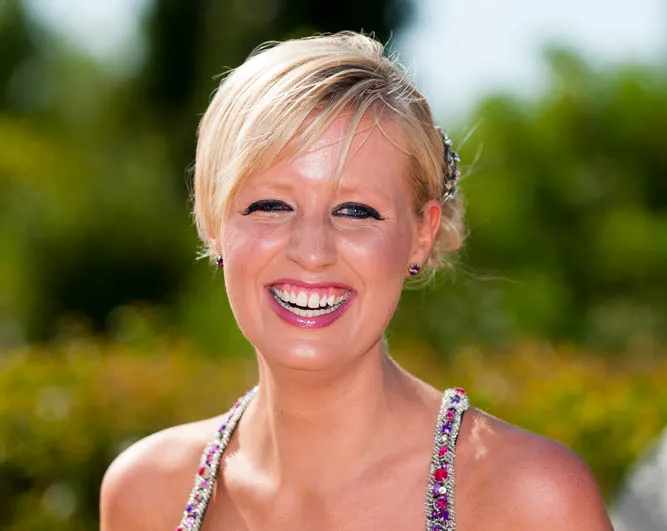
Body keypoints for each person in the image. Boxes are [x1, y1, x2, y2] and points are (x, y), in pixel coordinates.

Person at [99, 31, 612, 530]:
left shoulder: (530, 500)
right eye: (271, 205)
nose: (312, 251)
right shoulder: (144, 495)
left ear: (421, 234)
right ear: (212, 222)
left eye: (356, 211)